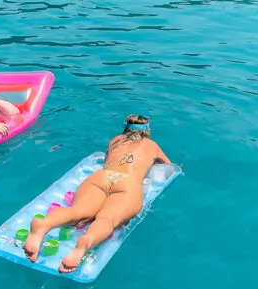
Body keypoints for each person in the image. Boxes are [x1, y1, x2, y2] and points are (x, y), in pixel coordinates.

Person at [23, 114, 171, 274]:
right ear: (147, 130)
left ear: (126, 128)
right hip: (127, 183)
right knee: (107, 219)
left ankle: (43, 225)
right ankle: (85, 243)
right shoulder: (151, 144)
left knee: (77, 211)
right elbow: (168, 167)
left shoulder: (116, 140)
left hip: (102, 177)